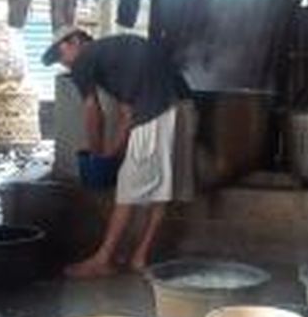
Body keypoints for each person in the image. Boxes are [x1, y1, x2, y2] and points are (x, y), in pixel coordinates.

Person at [42, 27, 196, 278]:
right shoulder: (114, 54)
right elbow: (127, 113)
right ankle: (139, 257)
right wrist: (111, 153)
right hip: (181, 109)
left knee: (127, 190)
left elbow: (93, 112)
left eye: (61, 55)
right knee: (162, 188)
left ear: (75, 41)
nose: (65, 64)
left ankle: (102, 260)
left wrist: (94, 154)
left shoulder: (85, 59)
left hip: (156, 113)